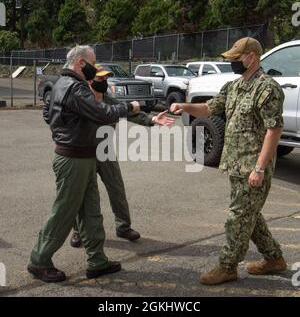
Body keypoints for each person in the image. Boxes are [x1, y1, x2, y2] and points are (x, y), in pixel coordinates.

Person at [171, 37, 287, 285]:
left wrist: (259, 168)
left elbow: (274, 130)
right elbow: (210, 108)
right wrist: (185, 106)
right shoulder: (234, 87)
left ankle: (227, 266)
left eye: (236, 58)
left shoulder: (267, 89)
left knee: (238, 217)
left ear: (252, 57)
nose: (233, 62)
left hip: (253, 168)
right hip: (235, 165)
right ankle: (274, 258)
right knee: (249, 215)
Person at [28, 45, 140, 283]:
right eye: (92, 63)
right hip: (73, 159)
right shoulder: (73, 87)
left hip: (83, 156)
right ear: (80, 63)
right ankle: (39, 261)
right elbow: (102, 113)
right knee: (64, 213)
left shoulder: (65, 84)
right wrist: (129, 107)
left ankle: (97, 261)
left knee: (91, 211)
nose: (94, 68)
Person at [70, 64, 174, 247]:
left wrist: (152, 119)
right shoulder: (81, 99)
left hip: (105, 150)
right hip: (83, 151)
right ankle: (78, 231)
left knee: (116, 188)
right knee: (81, 193)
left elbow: (129, 112)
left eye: (106, 78)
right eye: (100, 79)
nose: (104, 82)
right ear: (90, 79)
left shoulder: (109, 100)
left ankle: (123, 227)